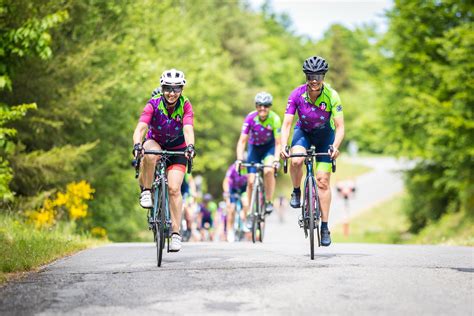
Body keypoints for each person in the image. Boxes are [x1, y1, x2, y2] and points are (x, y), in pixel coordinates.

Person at [280, 56, 345, 247]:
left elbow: (340, 127)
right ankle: (296, 190)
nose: (314, 80)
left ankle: (324, 226)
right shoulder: (296, 94)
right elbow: (286, 125)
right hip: (304, 133)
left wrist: (336, 146)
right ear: (306, 76)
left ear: (323, 76)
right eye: (310, 76)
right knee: (296, 160)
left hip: (326, 136)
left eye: (318, 75)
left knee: (323, 181)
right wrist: (284, 145)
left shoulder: (332, 95)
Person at [132, 68, 196, 252]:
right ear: (162, 88)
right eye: (168, 88)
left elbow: (188, 129)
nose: (171, 93)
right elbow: (141, 128)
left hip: (178, 148)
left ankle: (175, 233)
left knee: (174, 189)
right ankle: (146, 190)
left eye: (176, 89)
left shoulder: (185, 105)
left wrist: (190, 146)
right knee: (151, 153)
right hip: (156, 142)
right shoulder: (153, 104)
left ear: (182, 89)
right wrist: (137, 144)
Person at [235, 92, 281, 217]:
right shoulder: (250, 118)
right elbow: (242, 141)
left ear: (269, 106)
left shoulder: (275, 119)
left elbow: (278, 143)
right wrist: (239, 159)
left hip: (269, 149)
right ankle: (250, 211)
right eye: (259, 105)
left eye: (265, 106)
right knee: (250, 181)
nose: (262, 108)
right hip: (254, 149)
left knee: (268, 171)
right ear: (256, 106)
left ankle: (269, 200)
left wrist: (276, 159)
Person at [222, 162, 248, 242]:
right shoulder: (233, 168)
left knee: (246, 202)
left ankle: (244, 220)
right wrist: (226, 193)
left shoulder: (248, 168)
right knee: (231, 208)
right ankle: (230, 231)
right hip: (232, 190)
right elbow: (226, 181)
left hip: (243, 189)